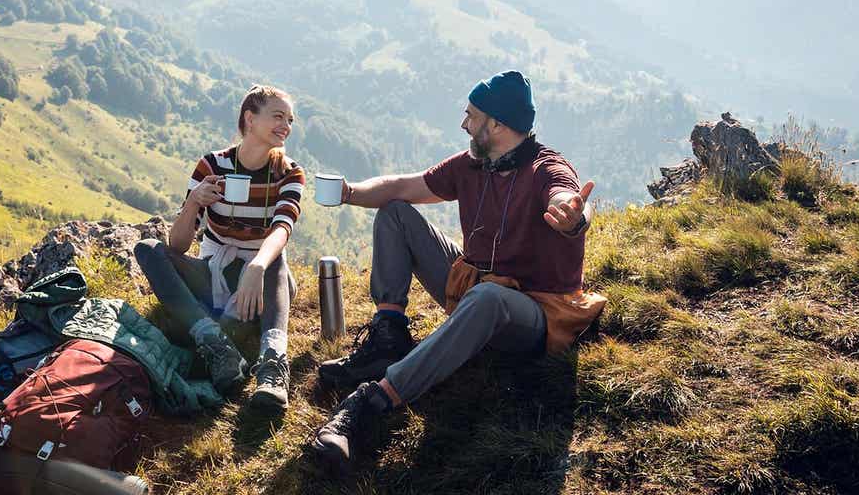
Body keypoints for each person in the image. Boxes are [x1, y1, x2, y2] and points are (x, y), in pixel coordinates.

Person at [308, 70, 603, 475]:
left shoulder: (545, 169)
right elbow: (403, 186)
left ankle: (369, 403)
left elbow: (569, 197)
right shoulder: (473, 165)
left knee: (487, 299)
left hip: (534, 312)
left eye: (471, 115)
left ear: (496, 123)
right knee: (394, 212)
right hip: (478, 283)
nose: (464, 124)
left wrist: (574, 216)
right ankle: (389, 336)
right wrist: (348, 193)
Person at [133, 85, 304, 415]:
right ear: (250, 119)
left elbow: (283, 228)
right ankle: (215, 343)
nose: (287, 126)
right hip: (213, 273)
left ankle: (272, 368)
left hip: (264, 279)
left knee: (276, 258)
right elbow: (179, 245)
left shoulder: (289, 172)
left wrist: (256, 267)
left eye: (291, 120)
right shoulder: (211, 166)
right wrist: (195, 201)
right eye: (278, 116)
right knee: (148, 249)